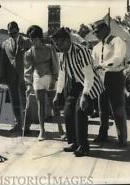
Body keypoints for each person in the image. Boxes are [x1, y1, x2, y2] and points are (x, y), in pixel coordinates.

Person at [51, 27, 104, 157]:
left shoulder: (81, 51)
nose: (58, 46)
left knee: (80, 111)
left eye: (60, 43)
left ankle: (83, 147)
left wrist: (85, 95)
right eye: (56, 44)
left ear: (68, 40)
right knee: (68, 111)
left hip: (89, 84)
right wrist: (58, 94)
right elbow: (62, 75)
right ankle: (73, 142)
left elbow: (89, 76)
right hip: (75, 84)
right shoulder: (62, 55)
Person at [92, 20, 128, 146]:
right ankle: (103, 135)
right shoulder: (96, 47)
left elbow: (118, 58)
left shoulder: (117, 40)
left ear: (106, 29)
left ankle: (122, 138)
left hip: (115, 77)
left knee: (117, 108)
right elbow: (93, 63)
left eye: (97, 30)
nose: (95, 33)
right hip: (101, 78)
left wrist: (102, 65)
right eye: (94, 31)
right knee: (102, 108)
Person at [24, 25, 60, 141]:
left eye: (35, 39)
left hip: (50, 78)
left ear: (40, 38)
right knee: (40, 105)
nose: (33, 41)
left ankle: (61, 129)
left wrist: (54, 79)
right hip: (37, 79)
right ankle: (42, 130)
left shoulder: (50, 48)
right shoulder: (29, 53)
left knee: (54, 104)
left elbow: (55, 65)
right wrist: (28, 84)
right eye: (31, 39)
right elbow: (28, 70)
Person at [0, 21, 30, 134]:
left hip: (24, 76)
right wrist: (2, 77)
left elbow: (31, 58)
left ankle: (26, 125)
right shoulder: (5, 44)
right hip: (10, 77)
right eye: (10, 33)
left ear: (18, 30)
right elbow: (2, 62)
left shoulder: (27, 41)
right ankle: (18, 123)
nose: (12, 35)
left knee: (25, 100)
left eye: (14, 32)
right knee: (15, 101)